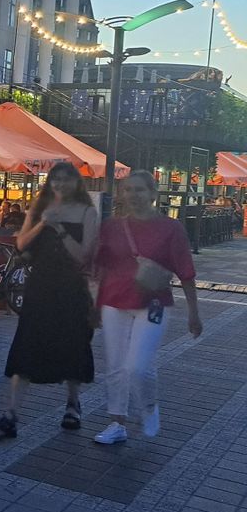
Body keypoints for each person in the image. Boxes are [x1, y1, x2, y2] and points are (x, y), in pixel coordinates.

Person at [0, 162, 98, 439]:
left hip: (72, 287)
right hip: (40, 286)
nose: (61, 184)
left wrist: (60, 228)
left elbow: (84, 255)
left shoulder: (87, 212)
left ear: (76, 183)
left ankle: (73, 405)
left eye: (67, 179)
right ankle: (12, 412)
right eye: (56, 179)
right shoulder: (39, 209)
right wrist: (43, 224)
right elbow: (22, 244)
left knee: (73, 343)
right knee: (27, 344)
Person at [91, 170, 201, 445]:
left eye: (140, 190)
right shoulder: (112, 226)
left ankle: (149, 406)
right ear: (122, 194)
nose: (133, 195)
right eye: (128, 190)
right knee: (115, 365)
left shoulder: (171, 228)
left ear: (153, 194)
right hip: (114, 300)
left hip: (153, 303)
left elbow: (186, 271)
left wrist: (193, 313)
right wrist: (94, 304)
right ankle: (117, 422)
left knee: (137, 367)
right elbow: (100, 267)